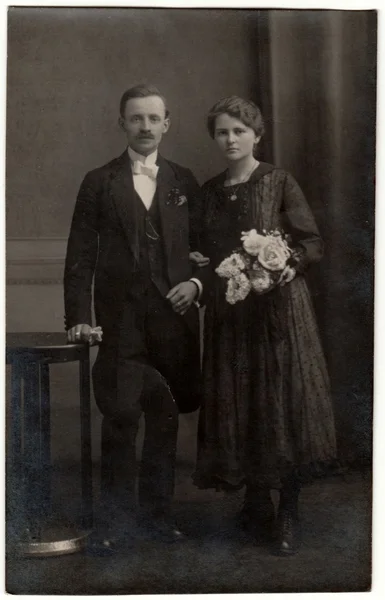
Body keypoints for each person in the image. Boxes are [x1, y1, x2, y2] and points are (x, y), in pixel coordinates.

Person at [64, 84, 209, 554]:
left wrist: (197, 285)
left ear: (167, 123)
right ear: (121, 124)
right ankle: (115, 522)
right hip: (120, 321)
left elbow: (208, 251)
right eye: (136, 119)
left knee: (165, 419)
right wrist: (80, 318)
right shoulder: (98, 181)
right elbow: (80, 257)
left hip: (172, 318)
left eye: (153, 119)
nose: (145, 127)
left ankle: (158, 518)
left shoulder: (184, 181)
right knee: (122, 417)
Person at [192, 96, 338, 556]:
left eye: (239, 130)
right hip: (232, 313)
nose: (230, 139)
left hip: (278, 313)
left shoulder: (278, 181)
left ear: (257, 134)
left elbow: (311, 241)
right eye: (222, 132)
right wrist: (203, 263)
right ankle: (254, 504)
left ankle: (287, 508)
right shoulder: (210, 190)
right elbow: (201, 247)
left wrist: (287, 264)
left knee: (280, 399)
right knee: (241, 399)